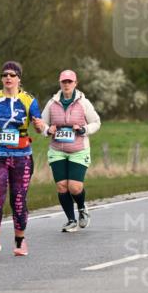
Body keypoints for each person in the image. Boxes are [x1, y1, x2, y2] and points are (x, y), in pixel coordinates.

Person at [0, 61, 46, 256]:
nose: (8, 78)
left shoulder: (28, 100)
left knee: (18, 199)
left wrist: (40, 125)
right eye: (5, 75)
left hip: (21, 157)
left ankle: (20, 241)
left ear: (19, 79)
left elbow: (38, 124)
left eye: (12, 75)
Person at [41, 70, 101, 232]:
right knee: (61, 186)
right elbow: (41, 124)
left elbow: (96, 122)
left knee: (74, 187)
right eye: (64, 82)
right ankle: (71, 220)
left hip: (78, 150)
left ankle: (82, 208)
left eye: (69, 81)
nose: (66, 84)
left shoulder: (83, 102)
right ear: (60, 83)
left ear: (75, 83)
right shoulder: (52, 103)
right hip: (57, 150)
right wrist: (48, 130)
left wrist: (83, 129)